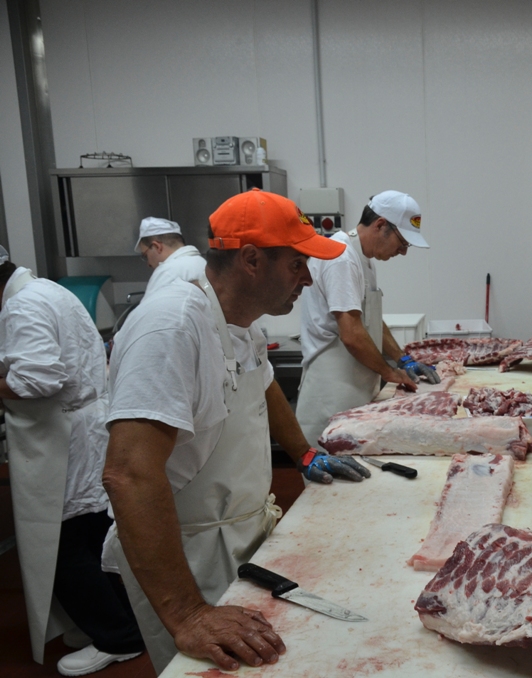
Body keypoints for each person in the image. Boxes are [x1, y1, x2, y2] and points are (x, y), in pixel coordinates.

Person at [102, 189, 368, 674]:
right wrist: (188, 614)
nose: (308, 279)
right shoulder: (172, 326)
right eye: (297, 265)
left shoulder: (241, 322)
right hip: (186, 554)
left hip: (240, 535)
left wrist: (305, 454)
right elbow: (129, 475)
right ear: (250, 260)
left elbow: (263, 387)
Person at [0, 246, 145, 675]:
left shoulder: (22, 307)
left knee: (61, 545)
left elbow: (37, 380)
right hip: (84, 427)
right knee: (93, 535)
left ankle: (117, 637)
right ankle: (122, 623)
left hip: (64, 438)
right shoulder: (47, 290)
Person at [296, 190, 438, 448]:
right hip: (332, 395)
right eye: (402, 242)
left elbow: (371, 321)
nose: (403, 252)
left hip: (355, 390)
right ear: (380, 225)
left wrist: (403, 359)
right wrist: (389, 372)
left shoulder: (364, 259)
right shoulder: (340, 257)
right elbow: (351, 335)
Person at [135, 217, 207, 295]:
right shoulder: (203, 263)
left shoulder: (166, 274)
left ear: (157, 247)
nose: (148, 264)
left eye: (145, 255)